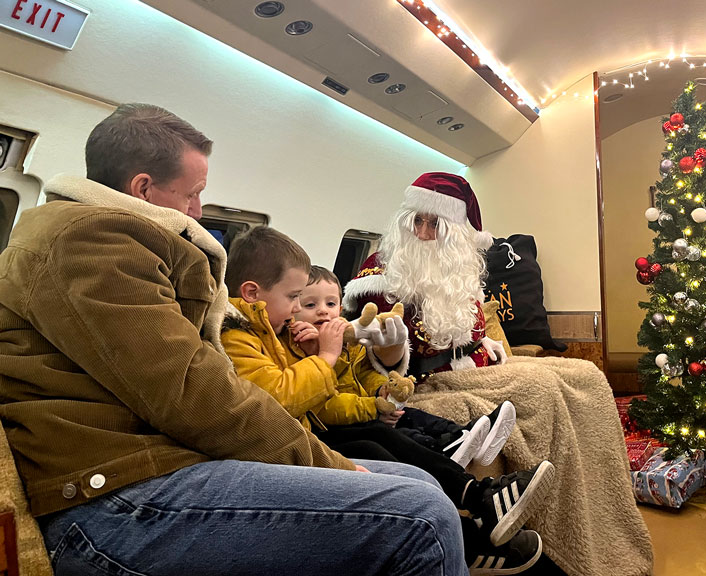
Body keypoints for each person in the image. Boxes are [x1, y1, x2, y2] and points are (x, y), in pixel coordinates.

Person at [0, 103, 469, 575]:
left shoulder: (102, 239)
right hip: (112, 497)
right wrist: (329, 465)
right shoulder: (93, 244)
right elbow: (194, 394)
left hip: (151, 465)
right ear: (142, 188)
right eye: (192, 195)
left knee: (417, 480)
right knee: (423, 516)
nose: (199, 212)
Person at [220, 228, 554, 559]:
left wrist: (373, 382)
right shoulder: (239, 337)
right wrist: (326, 358)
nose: (297, 309)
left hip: (307, 433)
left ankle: (479, 498)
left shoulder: (276, 328)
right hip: (297, 440)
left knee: (381, 437)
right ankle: (471, 533)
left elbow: (341, 377)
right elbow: (283, 397)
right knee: (374, 441)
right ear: (251, 293)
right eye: (295, 298)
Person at [298, 265, 517, 469]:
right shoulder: (300, 348)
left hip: (368, 406)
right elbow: (323, 404)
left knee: (409, 413)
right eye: (310, 305)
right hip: (346, 421)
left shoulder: (350, 340)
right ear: (292, 309)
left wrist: (383, 390)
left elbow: (365, 372)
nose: (323, 312)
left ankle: (461, 434)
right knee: (396, 432)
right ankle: (443, 447)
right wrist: (372, 407)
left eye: (331, 304)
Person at [342, 172, 507, 381]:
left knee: (553, 376)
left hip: (478, 365)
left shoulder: (460, 270)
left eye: (435, 224)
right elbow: (376, 356)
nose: (421, 233)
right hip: (425, 382)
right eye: (417, 221)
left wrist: (483, 340)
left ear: (453, 235)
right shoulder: (380, 272)